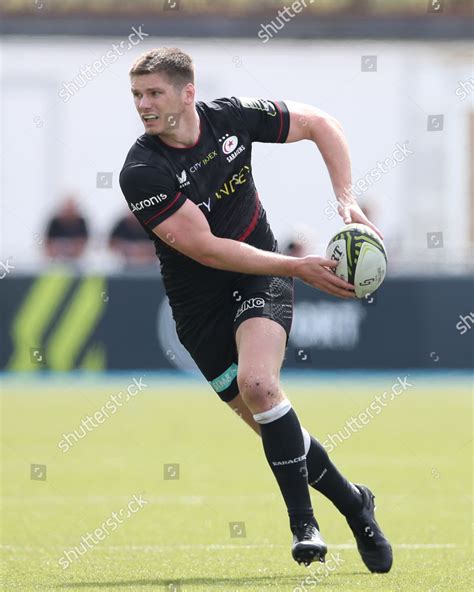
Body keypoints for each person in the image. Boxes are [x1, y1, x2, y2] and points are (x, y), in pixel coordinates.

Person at [119, 47, 392, 571]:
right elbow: (206, 249)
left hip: (258, 274)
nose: (144, 105)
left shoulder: (230, 118)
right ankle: (357, 506)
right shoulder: (142, 172)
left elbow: (320, 124)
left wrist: (347, 199)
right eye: (137, 95)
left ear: (187, 92)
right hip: (199, 308)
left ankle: (303, 524)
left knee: (261, 385)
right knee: (274, 425)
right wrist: (299, 266)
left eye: (154, 93)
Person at [45, 195, 88, 261]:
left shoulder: (81, 222)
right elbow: (48, 243)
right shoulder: (55, 222)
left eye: (71, 208)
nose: (69, 210)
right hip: (56, 260)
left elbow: (83, 243)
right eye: (67, 208)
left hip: (77, 260)